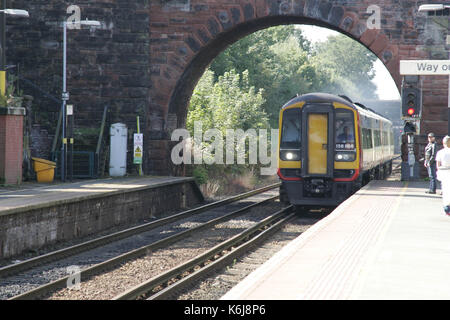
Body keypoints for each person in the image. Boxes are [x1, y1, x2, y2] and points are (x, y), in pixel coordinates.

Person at [436, 136, 450, 215]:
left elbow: (438, 166)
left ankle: (447, 209)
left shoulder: (440, 152)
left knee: (445, 191)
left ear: (443, 143)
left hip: (444, 174)